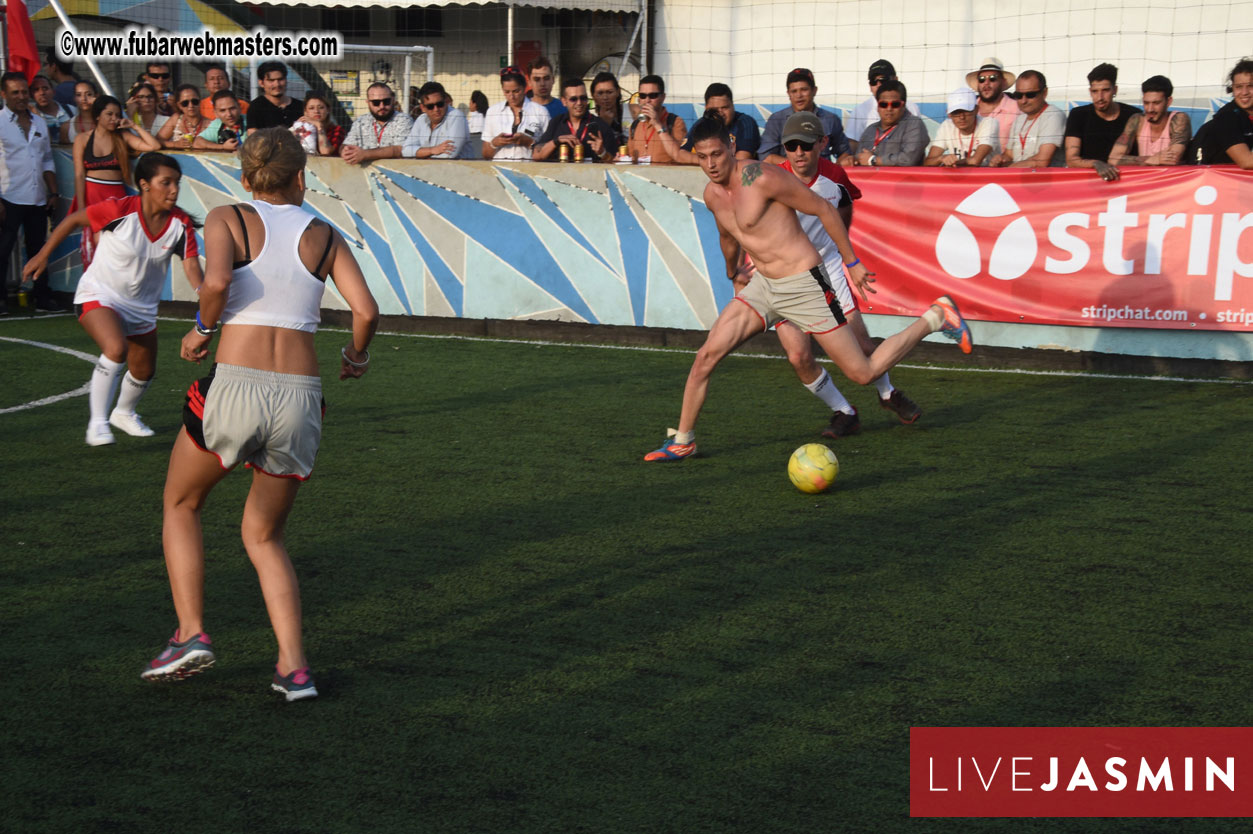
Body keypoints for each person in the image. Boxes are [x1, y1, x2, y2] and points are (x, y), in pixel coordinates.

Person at [142, 128, 379, 702]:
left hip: (238, 387)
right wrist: (354, 356)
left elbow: (217, 281)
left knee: (181, 502)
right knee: (265, 535)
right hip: (300, 397)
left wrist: (200, 333)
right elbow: (365, 311)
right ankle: (294, 669)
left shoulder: (228, 216)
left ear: (245, 178)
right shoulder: (324, 233)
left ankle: (192, 632)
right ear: (302, 177)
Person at [643, 117, 972, 462]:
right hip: (763, 286)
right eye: (702, 157)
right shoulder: (712, 194)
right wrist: (732, 271)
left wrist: (852, 261)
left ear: (729, 145)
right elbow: (728, 235)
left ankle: (937, 317)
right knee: (706, 356)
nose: (710, 164)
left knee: (862, 371)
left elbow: (824, 208)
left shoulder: (764, 178)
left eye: (716, 154)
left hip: (804, 285)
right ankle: (684, 440)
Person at [23, 152, 203, 443]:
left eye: (177, 183)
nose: (174, 190)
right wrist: (43, 255)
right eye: (166, 182)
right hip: (99, 294)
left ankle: (124, 413)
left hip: (142, 308)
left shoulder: (180, 224)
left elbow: (193, 267)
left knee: (144, 370)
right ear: (145, 184)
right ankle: (97, 423)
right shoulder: (118, 210)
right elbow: (72, 221)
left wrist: (205, 294)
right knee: (116, 348)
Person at [763, 111, 923, 436]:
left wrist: (842, 248)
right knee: (798, 357)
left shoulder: (834, 175)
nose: (799, 152)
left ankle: (888, 393)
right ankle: (844, 411)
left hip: (827, 270)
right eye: (791, 145)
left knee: (862, 346)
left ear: (821, 144)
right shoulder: (771, 178)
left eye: (806, 145)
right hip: (784, 278)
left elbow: (846, 202)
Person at [72, 95, 160, 266]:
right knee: (93, 248)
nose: (114, 119)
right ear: (98, 115)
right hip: (92, 197)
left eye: (117, 115)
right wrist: (81, 208)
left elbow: (154, 146)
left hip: (116, 198)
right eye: (109, 114)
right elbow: (79, 175)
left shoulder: (122, 137)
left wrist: (133, 125)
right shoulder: (82, 139)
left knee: (116, 246)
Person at [0, 72, 60, 315]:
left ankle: (42, 297)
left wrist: (53, 191)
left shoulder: (38, 122)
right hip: (7, 197)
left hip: (37, 197)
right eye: (15, 92)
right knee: (3, 251)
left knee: (39, 249)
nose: (22, 97)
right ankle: (1, 300)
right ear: (3, 94)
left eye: (25, 91)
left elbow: (46, 159)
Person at [759, 67, 853, 165]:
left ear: (814, 91)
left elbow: (845, 153)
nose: (799, 95)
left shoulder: (831, 119)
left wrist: (832, 172)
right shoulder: (776, 120)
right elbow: (766, 157)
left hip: (822, 177)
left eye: (804, 89)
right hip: (787, 177)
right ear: (788, 94)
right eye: (794, 91)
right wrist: (798, 167)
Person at [1064, 63, 1141, 181]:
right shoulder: (1078, 115)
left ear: (1115, 90)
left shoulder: (1133, 115)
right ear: (1090, 91)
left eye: (1105, 90)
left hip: (1126, 182)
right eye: (1095, 91)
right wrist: (1096, 164)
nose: (1100, 97)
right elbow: (1071, 159)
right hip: (1088, 183)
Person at [1108, 76, 1192, 166]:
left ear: (1168, 101)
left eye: (1156, 103)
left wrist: (1143, 161)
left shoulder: (1179, 119)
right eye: (1146, 103)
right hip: (1147, 178)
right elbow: (1112, 159)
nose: (1150, 109)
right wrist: (1149, 159)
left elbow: (1172, 159)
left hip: (1172, 178)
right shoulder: (1137, 120)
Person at [989, 71, 1065, 168]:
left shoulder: (1053, 115)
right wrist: (1000, 159)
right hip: (1020, 179)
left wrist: (1010, 167)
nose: (1024, 100)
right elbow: (1009, 155)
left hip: (1044, 180)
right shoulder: (1019, 119)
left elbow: (1042, 161)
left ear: (1044, 93)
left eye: (1030, 95)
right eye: (1019, 95)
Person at [846, 60, 922, 154]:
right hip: (870, 166)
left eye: (883, 80)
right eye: (873, 81)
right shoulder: (860, 111)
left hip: (903, 164)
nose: (878, 84)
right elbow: (853, 145)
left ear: (896, 80)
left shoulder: (911, 107)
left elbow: (917, 144)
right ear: (870, 86)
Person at [673, 83, 761, 161]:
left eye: (725, 108)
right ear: (706, 108)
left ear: (733, 106)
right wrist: (707, 161)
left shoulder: (745, 123)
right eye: (715, 109)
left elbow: (742, 159)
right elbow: (681, 155)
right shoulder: (701, 124)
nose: (721, 113)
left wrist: (707, 160)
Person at [533, 78, 614, 162]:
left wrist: (602, 153)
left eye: (583, 98)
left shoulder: (600, 125)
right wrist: (556, 142)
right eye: (573, 99)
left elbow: (615, 164)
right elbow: (536, 156)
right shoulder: (556, 122)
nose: (579, 103)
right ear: (564, 101)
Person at [482, 67, 549, 161]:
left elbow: (549, 151)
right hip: (500, 170)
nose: (512, 96)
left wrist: (529, 142)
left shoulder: (540, 112)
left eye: (516, 91)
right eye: (507, 92)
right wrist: (494, 143)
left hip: (530, 171)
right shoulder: (493, 112)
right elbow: (486, 154)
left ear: (525, 87)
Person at [855, 80, 928, 167]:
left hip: (904, 180)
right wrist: (853, 160)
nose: (889, 108)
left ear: (903, 105)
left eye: (895, 104)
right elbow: (860, 158)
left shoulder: (914, 124)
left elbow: (908, 159)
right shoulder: (870, 130)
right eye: (883, 104)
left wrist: (873, 160)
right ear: (877, 107)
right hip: (871, 180)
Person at [1197, 58, 1253, 168]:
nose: (1244, 92)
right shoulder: (1227, 117)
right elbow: (1247, 162)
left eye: (1251, 86)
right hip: (1206, 180)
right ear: (1232, 88)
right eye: (1239, 87)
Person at [924, 87, 999, 167]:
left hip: (986, 178)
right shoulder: (946, 126)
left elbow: (975, 161)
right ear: (949, 114)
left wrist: (952, 163)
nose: (961, 117)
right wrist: (941, 158)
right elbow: (928, 162)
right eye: (956, 112)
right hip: (960, 177)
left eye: (966, 111)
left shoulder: (989, 123)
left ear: (976, 110)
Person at [340, 82, 413, 164]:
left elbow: (400, 149)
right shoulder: (360, 121)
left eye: (386, 101)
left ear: (393, 99)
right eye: (376, 103)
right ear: (368, 102)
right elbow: (346, 145)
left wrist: (365, 154)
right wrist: (345, 151)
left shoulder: (404, 119)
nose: (382, 106)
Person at [626, 74, 688, 164]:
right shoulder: (635, 125)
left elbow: (680, 156)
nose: (647, 100)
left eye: (653, 95)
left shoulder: (675, 122)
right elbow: (631, 158)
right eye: (643, 96)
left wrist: (657, 123)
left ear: (663, 97)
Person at [403, 81, 472, 159]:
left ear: (446, 102)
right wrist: (432, 150)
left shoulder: (457, 117)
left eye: (440, 104)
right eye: (430, 106)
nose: (436, 109)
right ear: (422, 108)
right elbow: (405, 151)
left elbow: (449, 155)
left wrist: (421, 154)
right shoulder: (421, 120)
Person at [966, 57, 1020, 153]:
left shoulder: (1017, 109)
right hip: (969, 165)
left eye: (992, 78)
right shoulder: (967, 109)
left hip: (1004, 166)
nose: (986, 83)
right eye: (982, 79)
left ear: (1003, 82)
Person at [248, 62, 303, 133]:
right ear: (261, 83)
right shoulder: (256, 107)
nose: (277, 84)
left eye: (280, 79)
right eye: (271, 80)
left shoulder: (299, 106)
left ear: (286, 80)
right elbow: (253, 138)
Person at [157, 84, 209, 152]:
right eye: (185, 103)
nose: (191, 105)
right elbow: (157, 141)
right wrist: (175, 144)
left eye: (195, 101)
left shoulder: (210, 123)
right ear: (179, 105)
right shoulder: (176, 119)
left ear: (200, 102)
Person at [30, 75, 75, 144]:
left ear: (53, 91)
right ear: (31, 95)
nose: (42, 93)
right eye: (36, 90)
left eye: (45, 88)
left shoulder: (71, 110)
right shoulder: (31, 116)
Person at [591, 71, 627, 149]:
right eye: (600, 93)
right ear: (593, 96)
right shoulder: (591, 121)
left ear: (618, 92)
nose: (605, 97)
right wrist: (604, 124)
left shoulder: (632, 111)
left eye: (609, 92)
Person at [467, 89, 488, 158]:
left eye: (470, 102)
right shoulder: (486, 116)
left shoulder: (475, 117)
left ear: (474, 104)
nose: (469, 104)